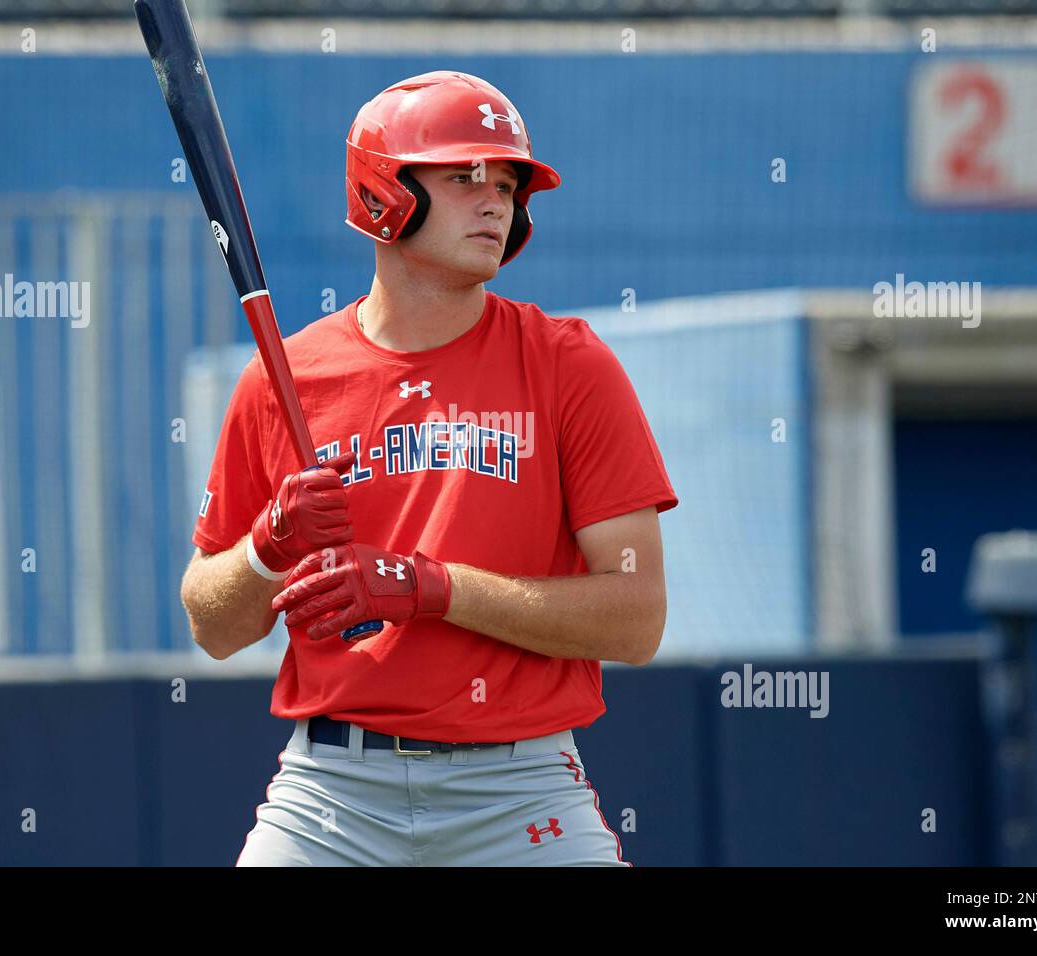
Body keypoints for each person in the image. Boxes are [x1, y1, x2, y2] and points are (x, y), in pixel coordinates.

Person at [181, 70, 678, 866]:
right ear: (385, 193)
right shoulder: (284, 380)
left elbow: (636, 617)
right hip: (333, 795)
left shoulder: (569, 365)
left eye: (509, 183)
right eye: (464, 177)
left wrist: (427, 588)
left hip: (522, 794)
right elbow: (212, 625)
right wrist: (268, 545)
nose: (497, 201)